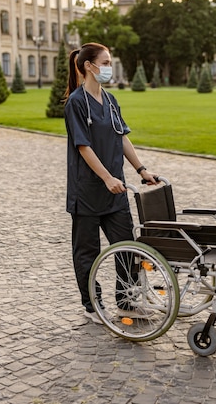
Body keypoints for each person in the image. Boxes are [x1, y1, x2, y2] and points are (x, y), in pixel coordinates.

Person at [63, 42, 159, 324]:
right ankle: (91, 305)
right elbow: (83, 146)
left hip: (115, 192)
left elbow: (121, 136)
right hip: (88, 191)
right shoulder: (76, 103)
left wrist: (141, 169)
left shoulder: (111, 100)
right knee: (87, 254)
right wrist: (106, 178)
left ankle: (127, 303)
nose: (109, 67)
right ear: (89, 66)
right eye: (104, 63)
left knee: (128, 247)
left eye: (109, 62)